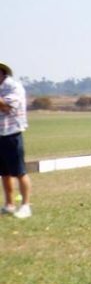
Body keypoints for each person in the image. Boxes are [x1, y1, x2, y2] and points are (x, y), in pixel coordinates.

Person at [0, 62, 32, 219]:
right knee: (4, 173)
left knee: (19, 171)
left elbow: (6, 105)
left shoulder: (14, 87)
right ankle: (9, 204)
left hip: (12, 134)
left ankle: (26, 205)